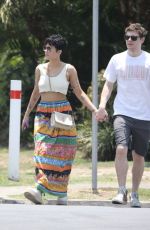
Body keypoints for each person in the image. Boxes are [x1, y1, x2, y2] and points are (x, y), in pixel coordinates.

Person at [22, 34, 97, 205]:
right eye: (45, 47)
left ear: (59, 51)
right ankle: (39, 189)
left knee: (63, 153)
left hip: (62, 112)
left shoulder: (69, 69)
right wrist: (26, 115)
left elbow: (79, 92)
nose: (45, 50)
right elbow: (35, 94)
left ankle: (61, 193)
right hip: (42, 114)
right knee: (42, 150)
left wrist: (94, 110)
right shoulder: (39, 68)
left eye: (49, 48)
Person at [96, 23, 150, 208]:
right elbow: (108, 85)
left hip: (144, 115)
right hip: (122, 112)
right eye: (127, 37)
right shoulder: (117, 59)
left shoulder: (149, 60)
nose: (129, 40)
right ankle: (121, 190)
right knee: (121, 148)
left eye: (134, 38)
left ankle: (134, 193)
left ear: (142, 40)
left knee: (138, 155)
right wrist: (102, 106)